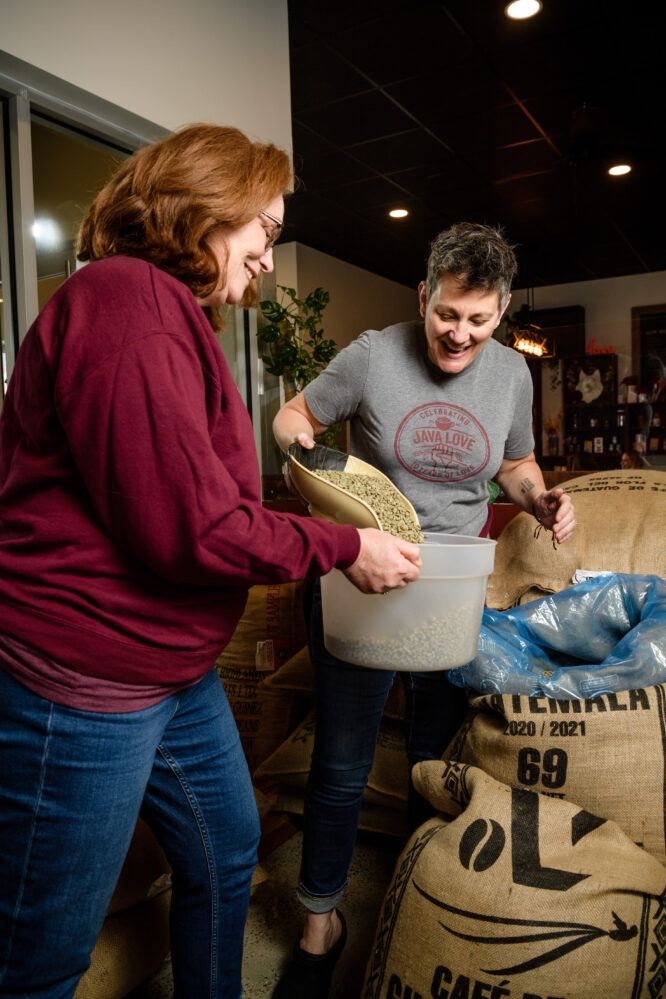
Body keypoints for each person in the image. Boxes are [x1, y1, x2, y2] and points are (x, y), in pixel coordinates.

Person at [0, 123, 422, 999]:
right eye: (265, 230)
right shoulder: (127, 303)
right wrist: (342, 546)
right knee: (41, 961)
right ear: (206, 209)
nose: (270, 257)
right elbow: (190, 530)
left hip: (172, 672)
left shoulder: (171, 313)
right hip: (88, 681)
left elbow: (202, 499)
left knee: (229, 858)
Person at [271, 221, 577, 999]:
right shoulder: (375, 353)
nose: (460, 333)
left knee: (432, 766)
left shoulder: (511, 375)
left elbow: (514, 463)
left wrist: (540, 498)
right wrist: (316, 473)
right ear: (424, 295)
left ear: (502, 311)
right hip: (363, 577)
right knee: (341, 765)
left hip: (449, 587)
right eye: (448, 314)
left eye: (479, 320)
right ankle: (320, 926)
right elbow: (292, 419)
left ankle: (413, 909)